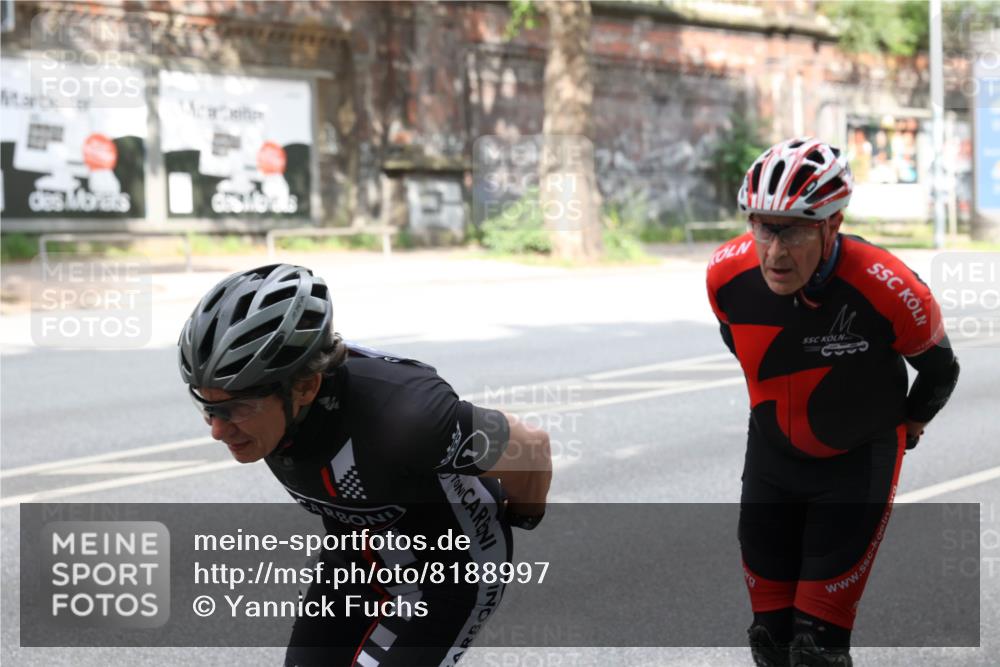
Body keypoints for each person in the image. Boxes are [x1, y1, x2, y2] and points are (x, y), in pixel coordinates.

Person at [177, 263, 551, 666]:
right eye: (207, 407)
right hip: (355, 561)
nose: (217, 430)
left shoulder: (406, 416)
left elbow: (530, 447)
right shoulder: (271, 406)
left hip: (450, 577)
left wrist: (524, 514)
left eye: (236, 409)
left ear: (305, 386)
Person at [705, 138, 959, 667]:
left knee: (817, 651)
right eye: (763, 227)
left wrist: (910, 424)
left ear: (832, 224)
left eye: (794, 231)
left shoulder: (888, 286)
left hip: (855, 467)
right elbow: (741, 343)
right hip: (772, 462)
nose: (775, 252)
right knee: (769, 640)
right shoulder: (726, 275)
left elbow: (941, 370)